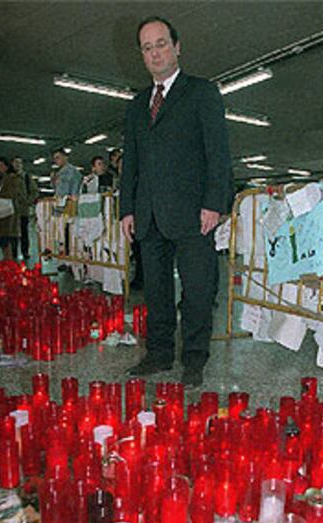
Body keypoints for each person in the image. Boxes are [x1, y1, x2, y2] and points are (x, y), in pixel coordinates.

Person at [120, 16, 232, 387]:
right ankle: (160, 354)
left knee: (199, 290)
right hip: (150, 215)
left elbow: (218, 154)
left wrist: (214, 203)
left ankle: (195, 359)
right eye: (147, 47)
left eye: (161, 43)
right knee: (156, 291)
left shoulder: (202, 93)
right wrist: (127, 209)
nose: (155, 52)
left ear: (177, 46)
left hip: (193, 213)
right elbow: (131, 161)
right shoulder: (137, 105)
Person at [11, 156, 38, 259]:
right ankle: (13, 253)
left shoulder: (27, 177)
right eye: (15, 162)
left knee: (24, 233)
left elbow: (35, 191)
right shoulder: (9, 177)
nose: (17, 165)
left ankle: (25, 251)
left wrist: (28, 201)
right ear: (12, 164)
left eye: (19, 163)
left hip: (23, 210)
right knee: (12, 234)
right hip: (11, 211)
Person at [0, 157, 22, 260]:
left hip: (7, 213)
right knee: (3, 239)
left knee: (6, 239)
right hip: (3, 212)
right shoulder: (4, 178)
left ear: (6, 166)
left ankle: (9, 261)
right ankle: (7, 261)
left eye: (0, 165)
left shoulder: (12, 177)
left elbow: (11, 193)